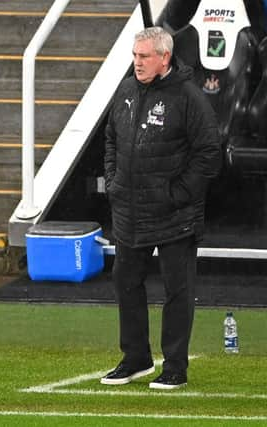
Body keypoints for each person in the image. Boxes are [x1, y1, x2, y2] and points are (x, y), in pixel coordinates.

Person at [102, 27, 221, 390]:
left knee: (177, 291)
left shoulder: (188, 96)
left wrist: (178, 194)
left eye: (144, 56)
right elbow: (110, 139)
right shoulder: (125, 91)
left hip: (175, 215)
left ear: (164, 57)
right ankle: (135, 359)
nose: (136, 63)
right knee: (125, 282)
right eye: (135, 56)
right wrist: (115, 181)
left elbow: (209, 153)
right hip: (129, 212)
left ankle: (175, 367)